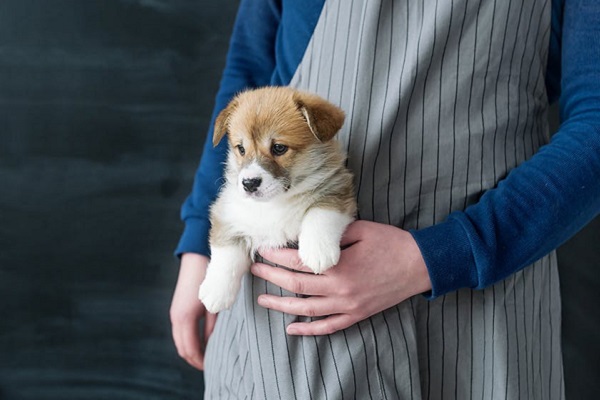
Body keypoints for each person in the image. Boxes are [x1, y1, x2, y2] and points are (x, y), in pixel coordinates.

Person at [170, 0, 600, 398]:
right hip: (292, 300)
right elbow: (254, 65)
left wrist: (440, 254)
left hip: (478, 296)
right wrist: (200, 247)